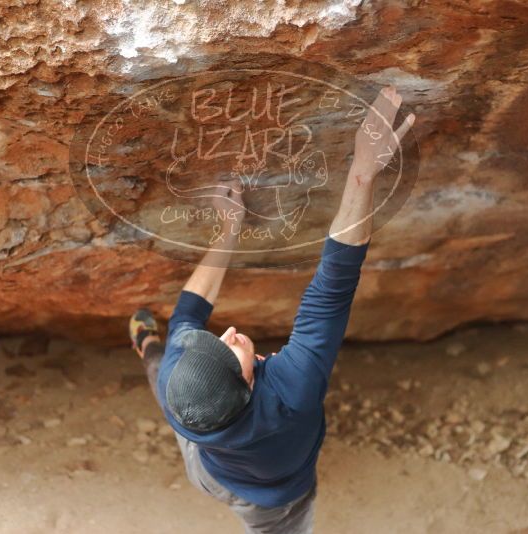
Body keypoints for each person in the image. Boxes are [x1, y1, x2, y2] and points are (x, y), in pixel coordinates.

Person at [128, 86, 414, 533]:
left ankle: (145, 343)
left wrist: (229, 229)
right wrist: (362, 173)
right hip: (270, 498)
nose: (231, 333)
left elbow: (189, 311)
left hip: (209, 470)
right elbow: (331, 291)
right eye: (231, 351)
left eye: (216, 341)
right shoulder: (290, 394)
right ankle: (147, 346)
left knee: (160, 365)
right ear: (247, 385)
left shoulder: (177, 384)